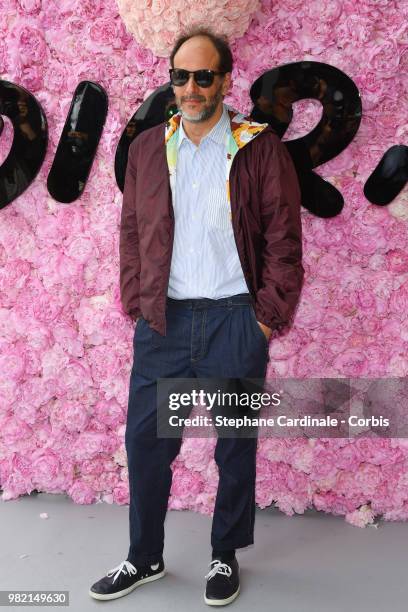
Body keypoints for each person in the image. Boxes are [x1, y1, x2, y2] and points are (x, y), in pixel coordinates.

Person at [89, 25, 304, 606]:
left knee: (235, 445)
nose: (190, 87)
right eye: (180, 76)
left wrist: (264, 319)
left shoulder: (259, 148)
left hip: (237, 319)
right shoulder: (145, 148)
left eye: (203, 76)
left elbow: (284, 241)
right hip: (164, 322)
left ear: (225, 81)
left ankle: (224, 554)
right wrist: (137, 301)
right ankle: (144, 557)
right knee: (147, 442)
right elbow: (132, 231)